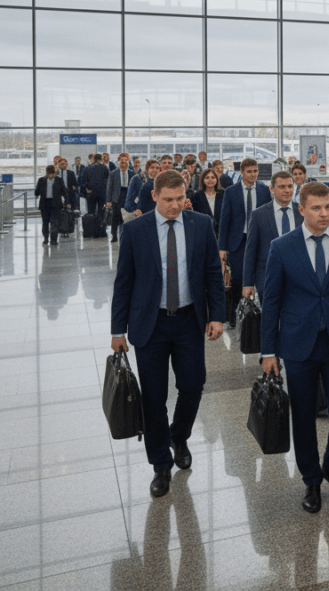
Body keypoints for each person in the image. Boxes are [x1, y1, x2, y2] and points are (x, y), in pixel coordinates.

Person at [110, 171, 225, 497]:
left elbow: (213, 275)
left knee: (193, 384)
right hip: (150, 325)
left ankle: (179, 435)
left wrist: (217, 315)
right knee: (154, 397)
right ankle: (161, 464)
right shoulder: (134, 230)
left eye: (180, 199)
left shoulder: (201, 224)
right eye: (168, 200)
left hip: (189, 321)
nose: (175, 206)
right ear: (154, 197)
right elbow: (123, 283)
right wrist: (117, 329)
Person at [260, 182, 329, 513]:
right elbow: (272, 301)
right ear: (301, 209)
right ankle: (311, 480)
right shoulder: (282, 246)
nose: (324, 214)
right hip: (297, 342)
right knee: (303, 414)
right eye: (316, 208)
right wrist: (267, 350)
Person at [219, 158, 271, 325]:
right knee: (239, 278)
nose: (253, 174)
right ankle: (236, 314)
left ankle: (260, 315)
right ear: (241, 172)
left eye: (255, 171)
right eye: (249, 171)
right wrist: (222, 247)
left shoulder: (264, 190)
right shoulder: (231, 191)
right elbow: (225, 221)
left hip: (259, 239)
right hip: (238, 240)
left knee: (261, 276)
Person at [243, 171, 301, 300]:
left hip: (299, 279)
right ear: (272, 189)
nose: (287, 190)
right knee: (270, 318)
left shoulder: (302, 212)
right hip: (267, 279)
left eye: (290, 186)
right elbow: (251, 250)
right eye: (282, 187)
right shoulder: (259, 215)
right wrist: (247, 283)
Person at [35, 165, 71, 246]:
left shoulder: (59, 180)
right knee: (45, 223)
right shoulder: (41, 180)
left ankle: (54, 240)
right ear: (47, 173)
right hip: (45, 204)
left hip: (56, 204)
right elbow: (36, 193)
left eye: (53, 173)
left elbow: (64, 192)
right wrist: (41, 189)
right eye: (50, 173)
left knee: (55, 222)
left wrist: (67, 202)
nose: (51, 175)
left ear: (55, 172)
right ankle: (46, 239)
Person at [105, 153, 135, 243]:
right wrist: (108, 200)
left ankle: (126, 236)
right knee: (115, 217)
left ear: (128, 162)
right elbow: (109, 187)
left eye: (126, 161)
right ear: (119, 162)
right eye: (122, 161)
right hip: (117, 197)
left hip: (128, 196)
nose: (124, 163)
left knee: (127, 217)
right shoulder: (113, 173)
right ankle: (114, 236)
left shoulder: (132, 173)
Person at [80, 154, 110, 238]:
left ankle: (91, 231)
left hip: (91, 193)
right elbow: (109, 180)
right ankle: (101, 231)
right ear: (100, 159)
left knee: (91, 212)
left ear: (93, 159)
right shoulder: (104, 167)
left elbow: (82, 182)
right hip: (102, 193)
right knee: (102, 212)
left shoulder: (86, 168)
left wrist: (86, 192)